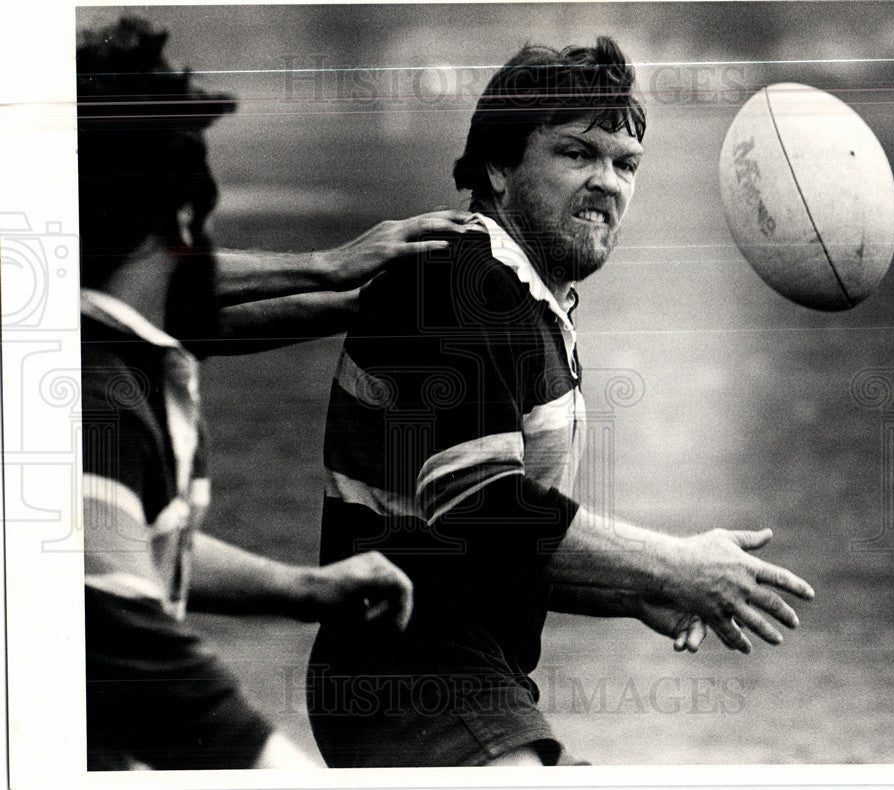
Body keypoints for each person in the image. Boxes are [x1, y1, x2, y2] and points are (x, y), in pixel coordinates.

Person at [309, 36, 816, 767]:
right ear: (498, 167)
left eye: (625, 164)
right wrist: (669, 564)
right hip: (411, 675)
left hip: (460, 674)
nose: (607, 183)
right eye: (577, 154)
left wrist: (629, 590)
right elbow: (480, 508)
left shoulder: (523, 298)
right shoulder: (462, 284)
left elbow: (476, 550)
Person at [77, 16, 473, 770]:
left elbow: (137, 547)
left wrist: (300, 587)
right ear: (188, 218)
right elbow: (132, 644)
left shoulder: (98, 357)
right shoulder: (96, 404)